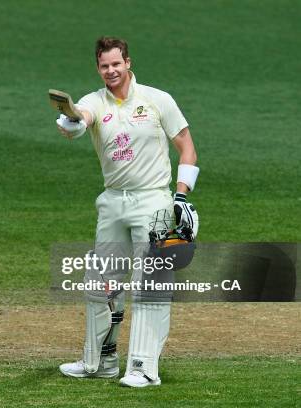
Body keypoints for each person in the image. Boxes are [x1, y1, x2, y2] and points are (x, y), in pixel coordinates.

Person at [56, 37, 199, 387]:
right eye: (104, 66)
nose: (111, 71)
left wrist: (181, 197)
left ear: (128, 62)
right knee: (99, 283)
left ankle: (144, 368)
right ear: (98, 68)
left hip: (153, 201)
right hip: (112, 202)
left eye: (116, 64)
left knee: (150, 284)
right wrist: (72, 122)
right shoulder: (94, 101)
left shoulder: (157, 99)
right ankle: (98, 362)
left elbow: (187, 149)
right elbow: (81, 117)